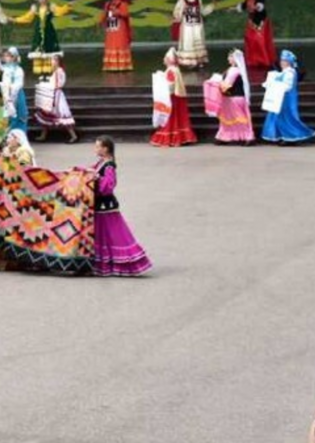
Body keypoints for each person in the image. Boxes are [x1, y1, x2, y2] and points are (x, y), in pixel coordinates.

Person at [90, 136, 150, 277]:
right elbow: (92, 171)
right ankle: (104, 262)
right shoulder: (101, 162)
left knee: (113, 233)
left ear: (105, 149)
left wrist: (97, 179)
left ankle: (127, 259)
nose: (95, 148)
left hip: (106, 205)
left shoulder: (109, 165)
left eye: (98, 146)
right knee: (102, 233)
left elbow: (108, 186)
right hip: (100, 204)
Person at [14, 0, 69, 75]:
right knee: (38, 50)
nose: (42, 0)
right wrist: (16, 19)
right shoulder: (35, 8)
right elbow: (28, 17)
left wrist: (67, 7)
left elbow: (60, 11)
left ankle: (49, 71)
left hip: (49, 31)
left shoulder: (51, 7)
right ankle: (41, 72)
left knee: (49, 49)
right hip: (38, 32)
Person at [262, 49, 315, 145]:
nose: (282, 63)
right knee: (278, 117)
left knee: (287, 117)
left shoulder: (290, 72)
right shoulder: (282, 72)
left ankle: (293, 136)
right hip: (280, 98)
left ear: (290, 62)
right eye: (282, 61)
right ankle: (284, 136)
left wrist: (275, 85)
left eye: (285, 61)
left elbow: (287, 86)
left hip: (287, 98)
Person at [150, 48, 196, 148]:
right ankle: (178, 138)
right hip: (176, 97)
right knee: (175, 117)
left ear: (169, 60)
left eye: (166, 58)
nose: (164, 60)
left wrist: (161, 82)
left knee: (170, 117)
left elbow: (170, 84)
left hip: (171, 97)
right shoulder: (175, 69)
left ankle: (171, 138)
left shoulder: (171, 70)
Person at [209, 49, 256, 145]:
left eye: (230, 57)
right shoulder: (235, 70)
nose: (228, 59)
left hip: (234, 98)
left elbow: (227, 85)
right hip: (232, 98)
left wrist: (215, 82)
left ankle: (246, 136)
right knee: (228, 119)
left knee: (238, 119)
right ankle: (225, 136)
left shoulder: (234, 71)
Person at [31, 57, 78, 143]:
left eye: (53, 60)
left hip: (56, 95)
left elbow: (60, 84)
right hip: (52, 93)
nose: (51, 62)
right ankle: (43, 135)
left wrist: (50, 86)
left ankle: (73, 135)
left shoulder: (59, 71)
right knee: (46, 113)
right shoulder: (55, 71)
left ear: (57, 61)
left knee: (61, 115)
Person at [237, 0, 276, 74]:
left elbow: (261, 5)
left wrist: (258, 6)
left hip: (260, 20)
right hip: (252, 20)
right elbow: (245, 5)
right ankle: (254, 60)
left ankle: (264, 60)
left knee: (260, 41)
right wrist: (236, 8)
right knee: (250, 39)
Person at [171, 0, 213, 69]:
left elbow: (203, 11)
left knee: (198, 42)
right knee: (188, 43)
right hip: (187, 27)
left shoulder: (198, 0)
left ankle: (199, 61)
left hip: (197, 26)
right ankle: (188, 62)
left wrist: (211, 6)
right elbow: (176, 12)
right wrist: (180, 14)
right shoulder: (182, 0)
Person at [98, 0, 134, 73]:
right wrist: (101, 20)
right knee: (111, 44)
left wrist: (117, 12)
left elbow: (125, 14)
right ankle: (111, 66)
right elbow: (104, 14)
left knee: (119, 44)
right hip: (111, 28)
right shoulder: (108, 4)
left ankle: (122, 66)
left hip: (120, 28)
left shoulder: (123, 4)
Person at [0, 47, 28, 135]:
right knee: (5, 116)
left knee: (18, 115)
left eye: (8, 56)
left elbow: (19, 84)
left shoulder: (18, 70)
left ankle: (19, 137)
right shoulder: (2, 68)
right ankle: (5, 138)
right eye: (5, 56)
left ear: (14, 57)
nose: (6, 58)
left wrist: (9, 87)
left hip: (16, 94)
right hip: (4, 94)